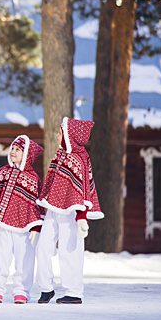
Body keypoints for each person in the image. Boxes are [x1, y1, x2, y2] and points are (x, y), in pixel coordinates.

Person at [35, 117, 104, 304]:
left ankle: (73, 292)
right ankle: (46, 287)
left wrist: (82, 216)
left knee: (69, 250)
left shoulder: (79, 159)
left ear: (70, 135)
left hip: (72, 213)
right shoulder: (59, 156)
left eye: (60, 132)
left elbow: (84, 190)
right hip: (53, 210)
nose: (57, 135)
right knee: (43, 247)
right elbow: (51, 185)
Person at [0, 135, 44, 304]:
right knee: (1, 257)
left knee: (24, 258)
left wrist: (36, 225)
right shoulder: (2, 173)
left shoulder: (33, 179)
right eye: (12, 148)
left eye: (18, 150)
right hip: (3, 223)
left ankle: (22, 290)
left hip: (23, 226)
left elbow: (36, 203)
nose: (13, 152)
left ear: (27, 154)